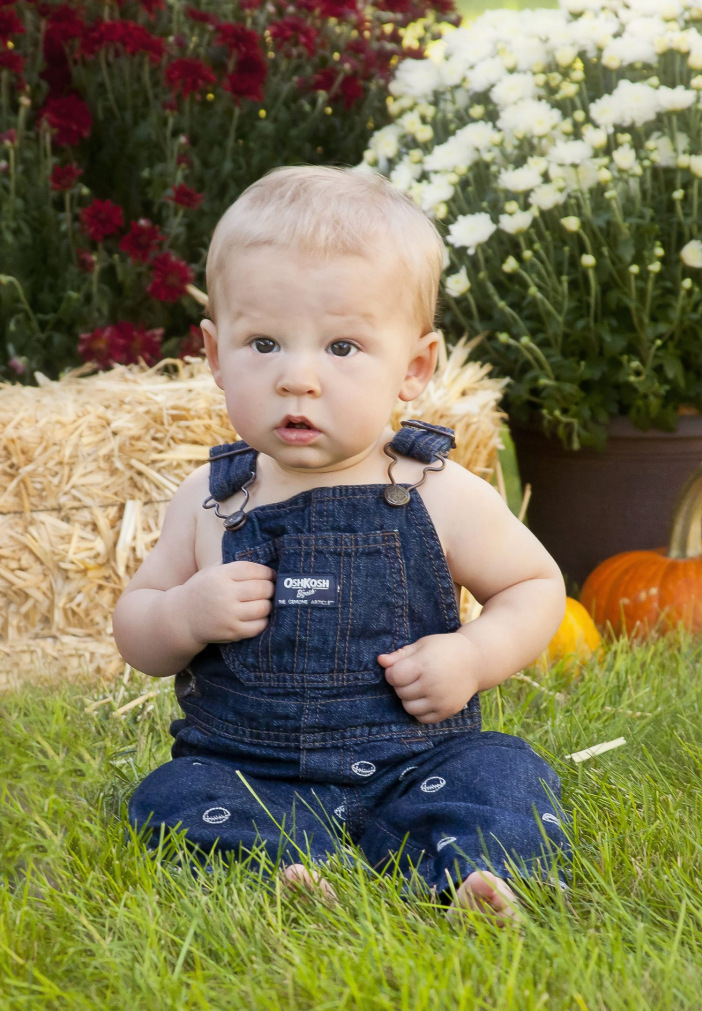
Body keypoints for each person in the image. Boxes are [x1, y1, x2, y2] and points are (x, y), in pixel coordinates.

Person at [113, 165, 570, 926]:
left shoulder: (437, 490)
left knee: (500, 773)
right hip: (248, 769)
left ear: (413, 368)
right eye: (264, 343)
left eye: (343, 347)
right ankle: (284, 870)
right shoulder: (211, 498)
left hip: (416, 762)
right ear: (215, 354)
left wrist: (472, 657)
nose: (298, 378)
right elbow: (136, 626)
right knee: (173, 795)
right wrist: (184, 613)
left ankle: (472, 874)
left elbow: (534, 586)